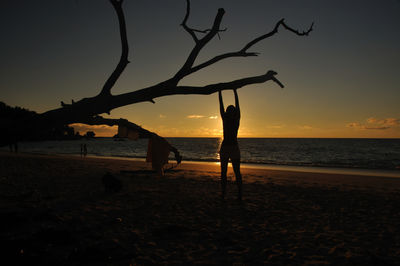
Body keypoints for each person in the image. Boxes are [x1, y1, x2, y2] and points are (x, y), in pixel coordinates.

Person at [218, 89, 242, 200]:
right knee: (223, 172)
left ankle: (240, 194)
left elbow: (238, 105)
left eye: (232, 110)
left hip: (234, 147)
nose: (231, 111)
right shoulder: (225, 119)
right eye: (229, 110)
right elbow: (221, 106)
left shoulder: (237, 119)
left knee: (237, 171)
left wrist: (235, 92)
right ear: (227, 112)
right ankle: (223, 193)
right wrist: (219, 92)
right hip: (225, 147)